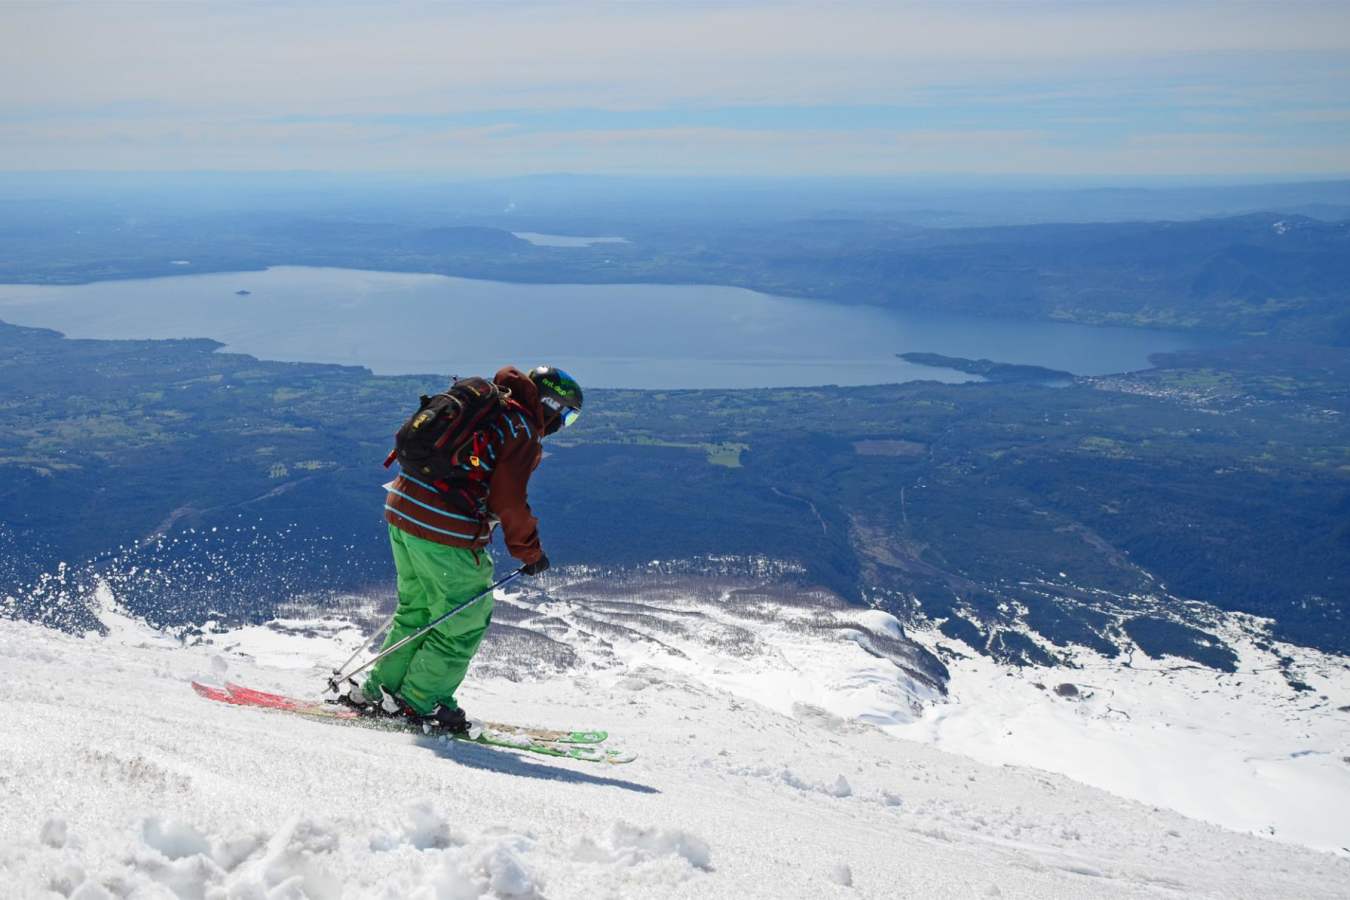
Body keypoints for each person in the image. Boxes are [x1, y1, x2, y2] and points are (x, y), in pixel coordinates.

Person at [344, 365, 584, 733]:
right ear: (551, 406)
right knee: (462, 621)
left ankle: (382, 691)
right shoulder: (521, 430)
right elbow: (509, 501)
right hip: (442, 529)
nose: (559, 425)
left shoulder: (490, 405)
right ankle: (419, 704)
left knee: (418, 609)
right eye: (565, 416)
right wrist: (530, 552)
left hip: (402, 506)